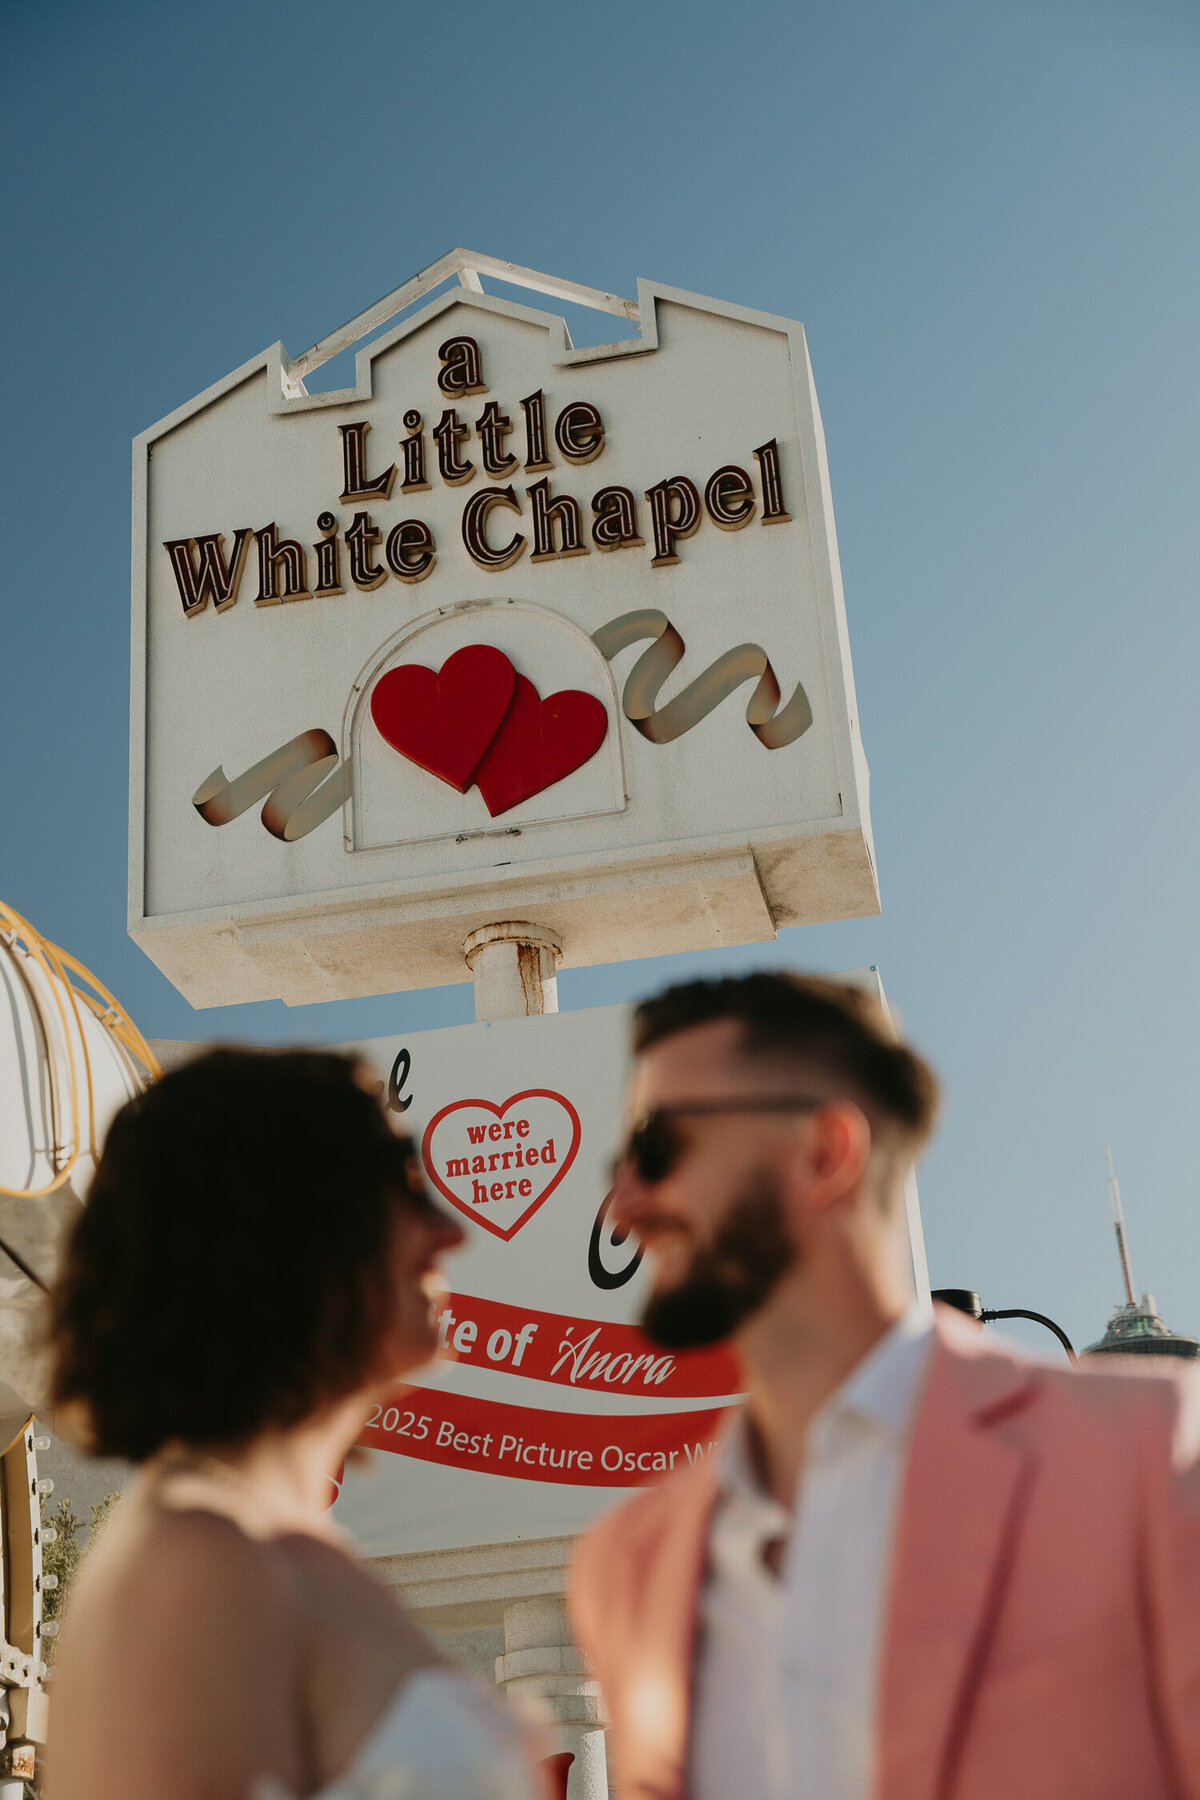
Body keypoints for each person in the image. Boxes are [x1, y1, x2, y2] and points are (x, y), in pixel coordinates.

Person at [569, 972, 1200, 1800]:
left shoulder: (1153, 1455)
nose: (621, 1204)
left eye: (658, 1149)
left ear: (826, 1151)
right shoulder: (622, 1567)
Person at [47, 1047, 546, 1800]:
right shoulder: (200, 1559)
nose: (453, 1234)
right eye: (408, 1185)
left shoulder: (262, 1545)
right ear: (287, 1221)